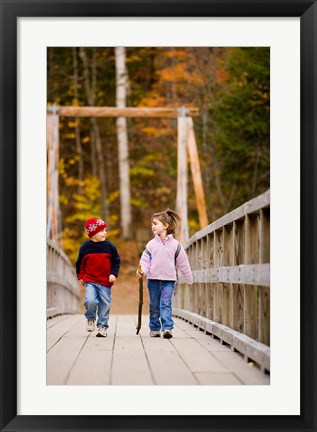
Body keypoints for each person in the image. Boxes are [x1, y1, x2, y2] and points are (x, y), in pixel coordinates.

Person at [137, 209, 193, 339]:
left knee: (166, 303)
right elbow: (145, 260)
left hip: (169, 281)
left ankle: (167, 328)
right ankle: (155, 328)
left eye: (155, 223)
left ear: (166, 226)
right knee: (154, 305)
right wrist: (142, 271)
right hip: (153, 281)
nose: (152, 226)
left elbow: (183, 264)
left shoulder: (176, 245)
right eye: (152, 224)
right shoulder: (151, 245)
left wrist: (189, 279)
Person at [76, 217, 120, 337]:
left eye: (105, 230)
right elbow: (80, 263)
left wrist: (113, 274)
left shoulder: (110, 246)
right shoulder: (85, 247)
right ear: (92, 233)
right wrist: (80, 275)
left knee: (105, 304)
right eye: (101, 230)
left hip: (105, 281)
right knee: (90, 300)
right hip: (90, 280)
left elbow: (116, 261)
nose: (105, 232)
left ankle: (102, 327)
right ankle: (90, 318)